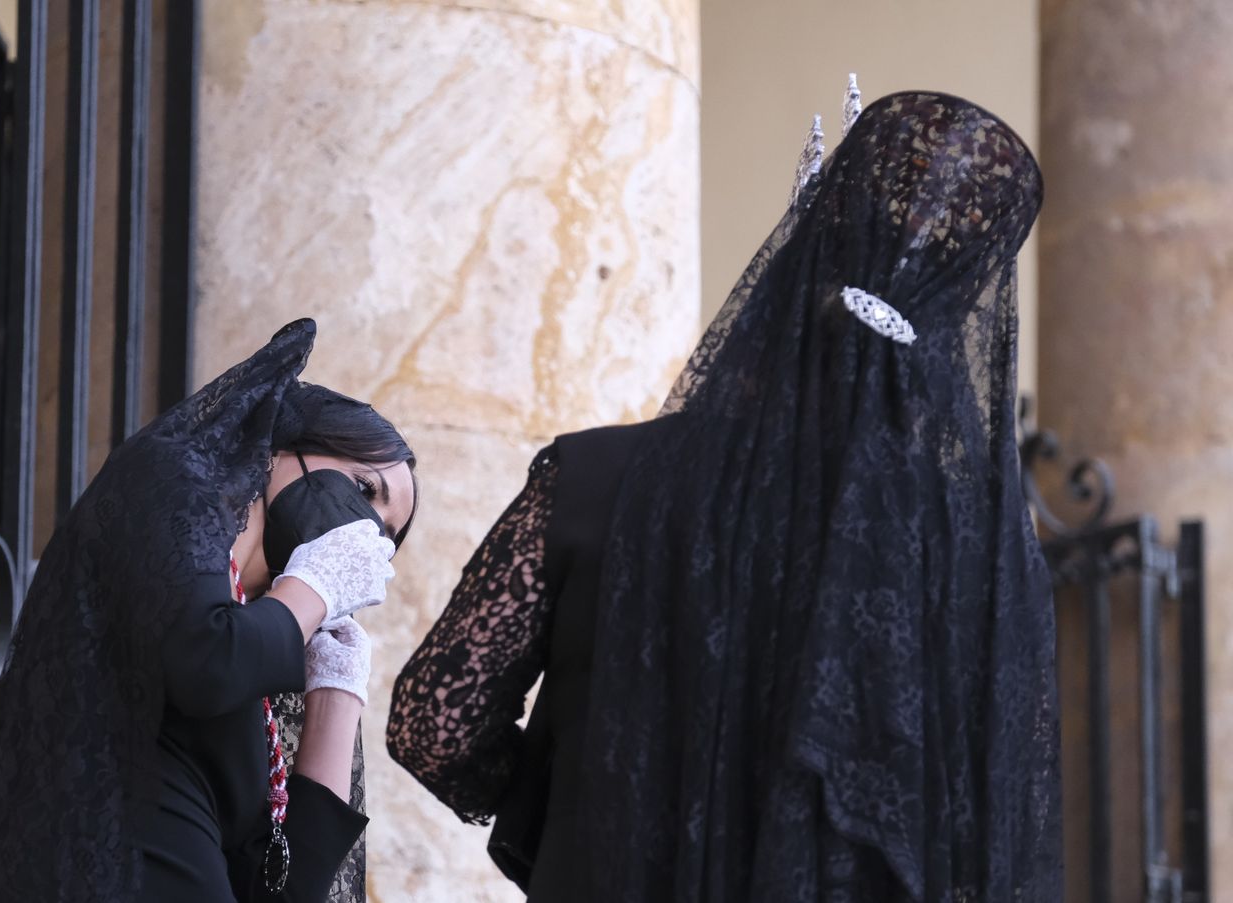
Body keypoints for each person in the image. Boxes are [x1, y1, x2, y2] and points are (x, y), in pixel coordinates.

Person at [388, 92, 1060, 901]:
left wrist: (571, 799)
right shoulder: (972, 559)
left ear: (786, 282)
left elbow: (434, 726)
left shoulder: (593, 477)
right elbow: (993, 829)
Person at [0, 319, 417, 902]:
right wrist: (315, 589)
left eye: (386, 535)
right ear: (281, 447)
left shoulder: (261, 667)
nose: (366, 533)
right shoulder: (172, 479)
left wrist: (336, 694)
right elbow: (206, 661)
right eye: (365, 489)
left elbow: (279, 891)